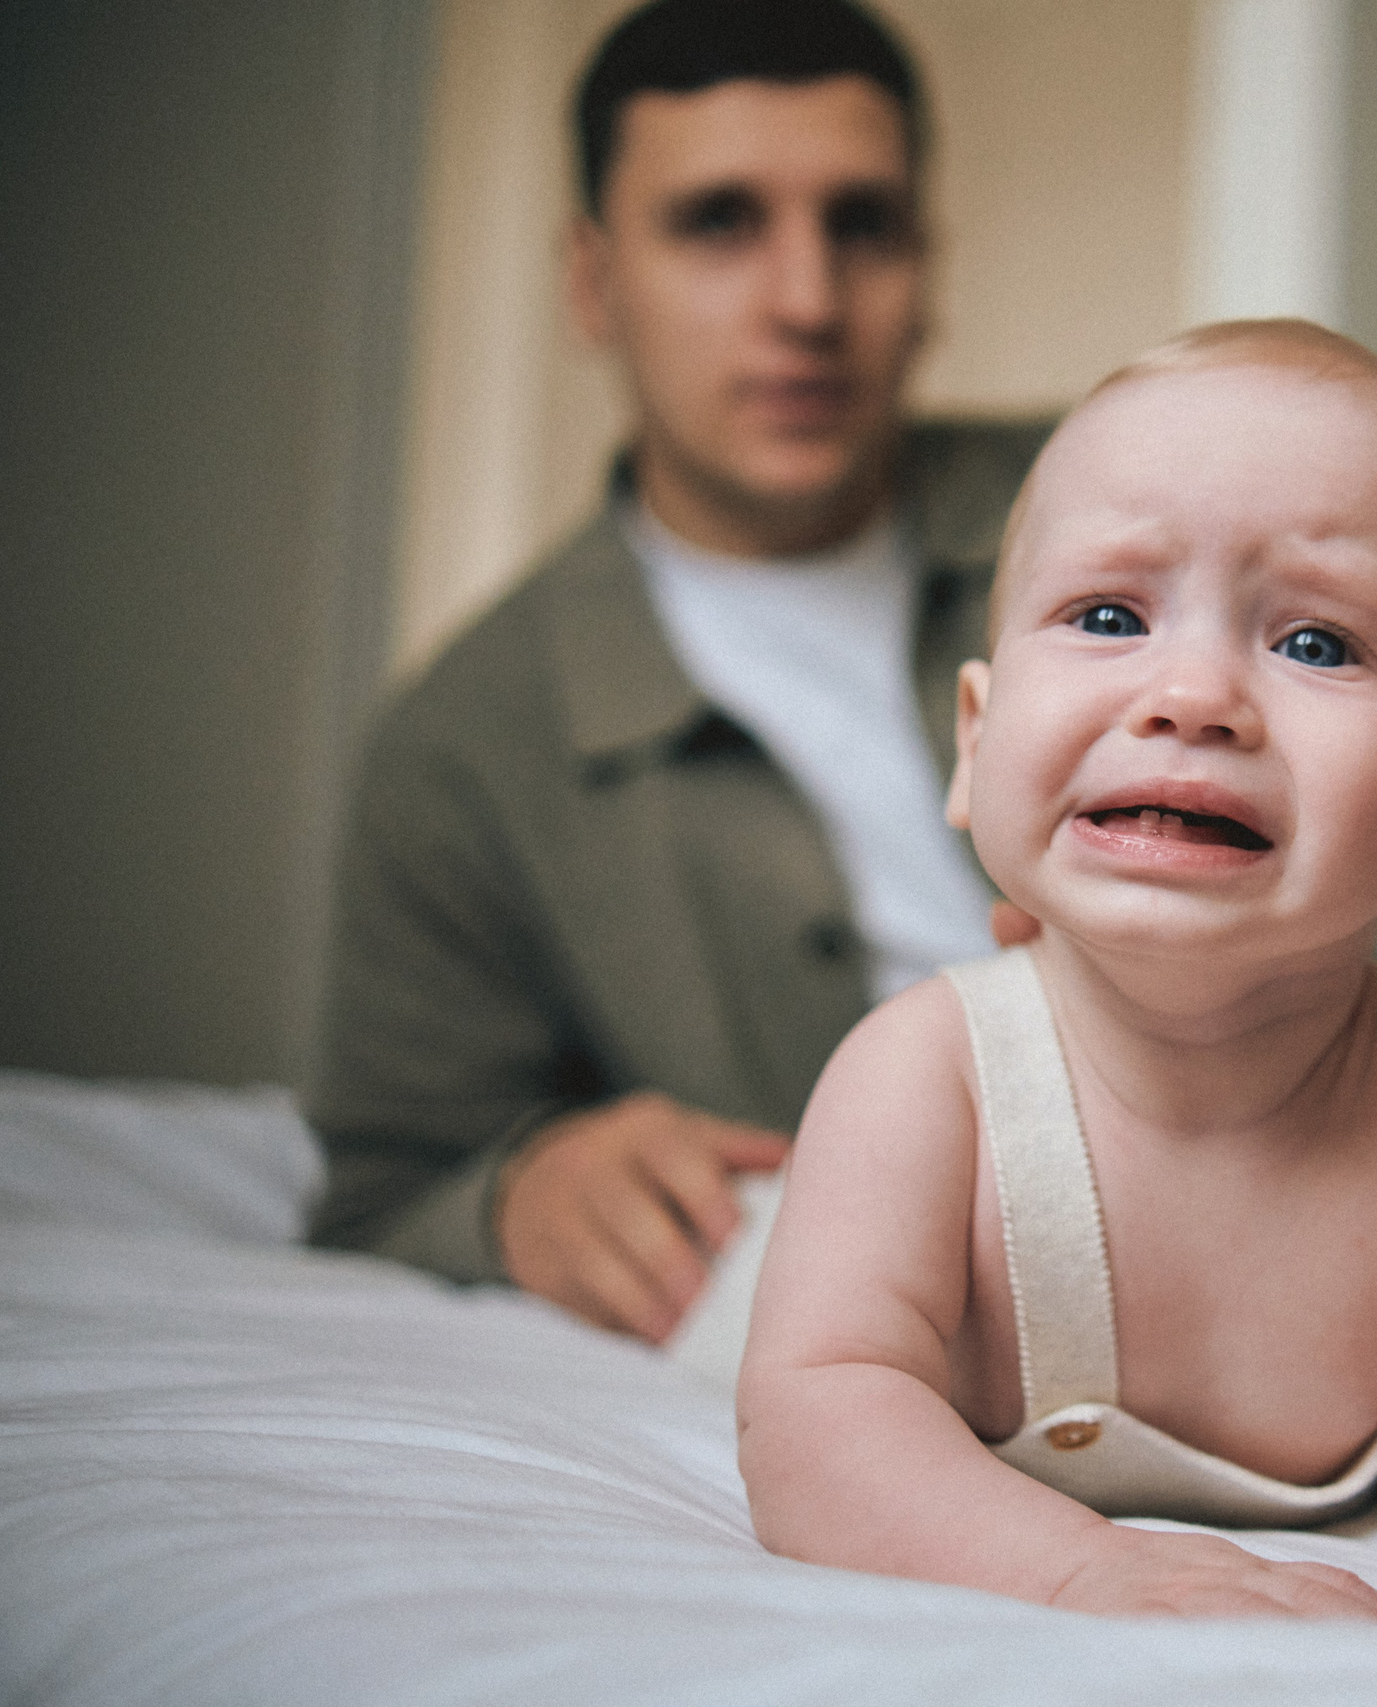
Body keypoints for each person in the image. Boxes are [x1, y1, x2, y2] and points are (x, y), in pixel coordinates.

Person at [737, 322, 1377, 1651]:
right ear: (976, 742)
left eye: (1316, 643)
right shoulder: (927, 1080)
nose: (1193, 697)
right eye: (1109, 618)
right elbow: (811, 1413)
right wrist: (1079, 1573)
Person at [304, 0, 1048, 1344]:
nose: (806, 301)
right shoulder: (466, 745)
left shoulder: (1133, 498)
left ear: (928, 266)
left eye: (863, 224)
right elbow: (384, 1197)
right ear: (593, 282)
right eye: (719, 223)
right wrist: (519, 1195)